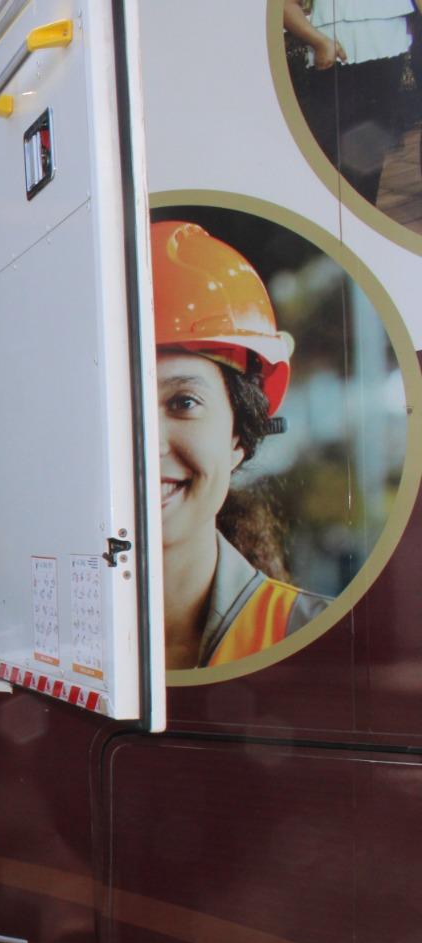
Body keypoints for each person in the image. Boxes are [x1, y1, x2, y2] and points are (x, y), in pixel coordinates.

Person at [152, 220, 330, 669]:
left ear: (238, 438)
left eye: (183, 402)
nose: (147, 445)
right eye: (113, 406)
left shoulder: (319, 641)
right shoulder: (27, 639)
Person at [284, 0, 421, 207]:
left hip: (390, 39)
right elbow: (283, 5)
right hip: (335, 48)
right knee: (334, 160)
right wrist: (318, 41)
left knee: (371, 156)